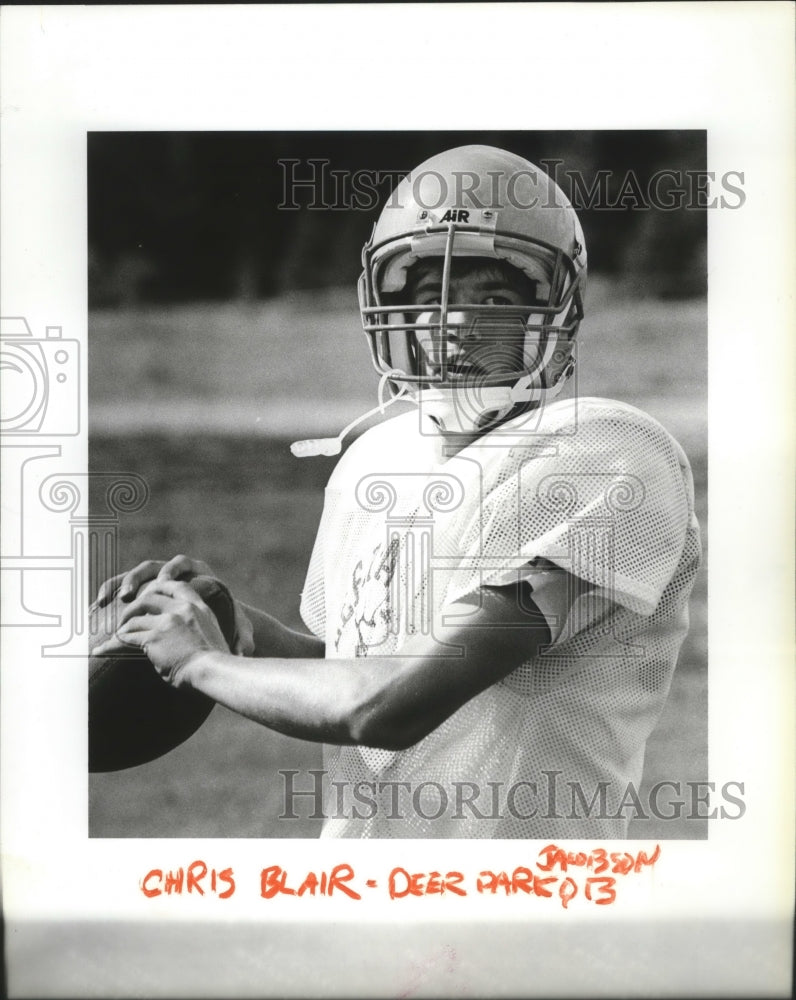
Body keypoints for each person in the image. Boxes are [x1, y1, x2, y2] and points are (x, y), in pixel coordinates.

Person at [94, 145, 701, 839]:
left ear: (558, 312)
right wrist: (240, 628)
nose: (456, 325)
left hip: (514, 910)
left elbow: (392, 705)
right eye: (426, 297)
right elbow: (352, 668)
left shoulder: (604, 450)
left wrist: (204, 662)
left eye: (493, 298)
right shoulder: (374, 458)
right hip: (359, 899)